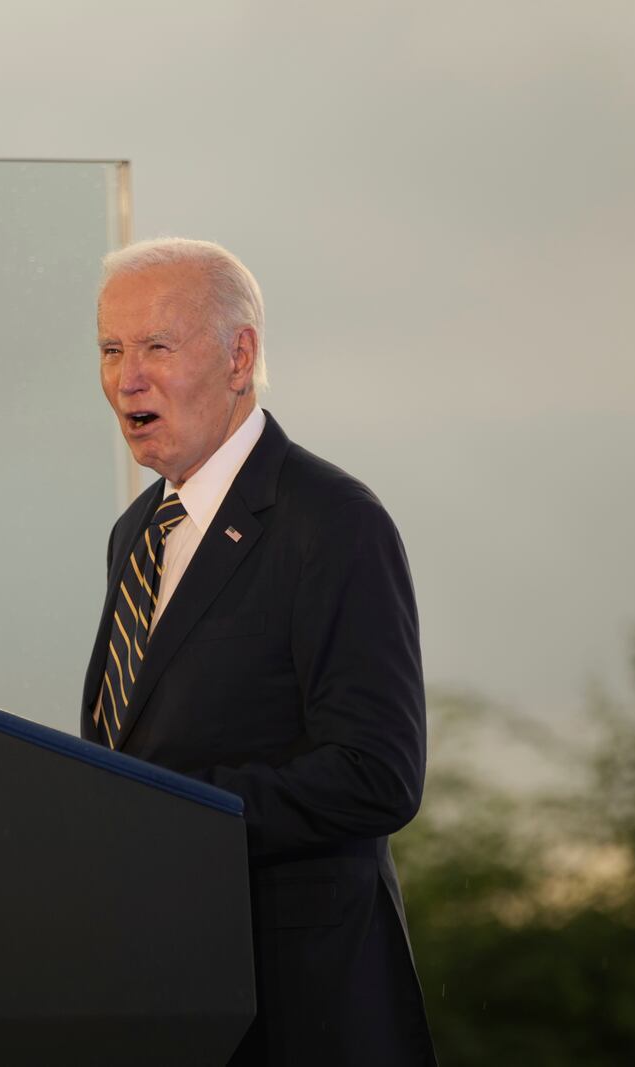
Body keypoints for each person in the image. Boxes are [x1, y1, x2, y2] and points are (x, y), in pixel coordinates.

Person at [80, 238, 436, 1065]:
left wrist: (169, 814)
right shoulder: (135, 536)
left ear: (240, 356)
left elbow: (377, 771)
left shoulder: (331, 520)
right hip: (168, 997)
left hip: (300, 1009)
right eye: (110, 350)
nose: (127, 378)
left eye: (156, 347)